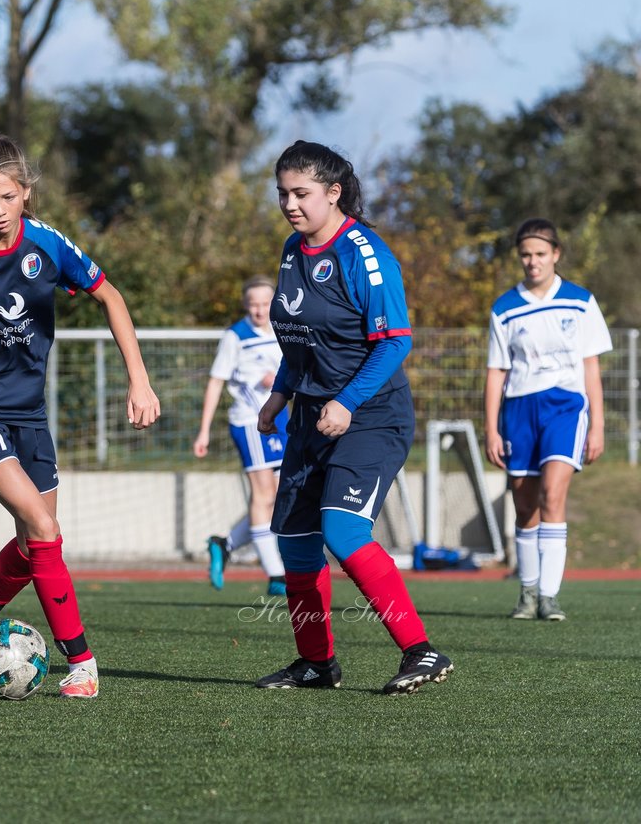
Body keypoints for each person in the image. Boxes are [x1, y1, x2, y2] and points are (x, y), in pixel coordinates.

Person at [0, 133, 161, 700]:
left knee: (34, 541)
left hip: (27, 409)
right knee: (45, 531)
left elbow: (111, 297)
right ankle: (84, 663)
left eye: (5, 197)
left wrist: (138, 379)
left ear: (25, 191)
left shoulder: (46, 244)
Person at [255, 140, 453, 695]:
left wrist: (347, 402)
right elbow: (300, 338)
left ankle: (421, 651)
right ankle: (316, 664)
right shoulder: (293, 250)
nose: (290, 204)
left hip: (371, 416)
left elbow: (394, 343)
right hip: (310, 416)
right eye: (283, 193)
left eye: (302, 193)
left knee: (342, 532)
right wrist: (279, 394)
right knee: (294, 541)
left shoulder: (364, 253)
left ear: (333, 192)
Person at [484, 219, 611, 622]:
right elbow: (496, 373)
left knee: (552, 495)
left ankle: (550, 597)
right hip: (519, 409)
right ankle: (527, 592)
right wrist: (490, 428)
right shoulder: (504, 308)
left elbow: (591, 369)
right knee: (525, 504)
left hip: (565, 408)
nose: (532, 261)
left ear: (556, 255)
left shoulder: (580, 301)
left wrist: (598, 426)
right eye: (526, 254)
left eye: (540, 254)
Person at [192, 275, 288, 595]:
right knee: (263, 496)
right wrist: (204, 431)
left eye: (265, 303)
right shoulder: (236, 336)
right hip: (250, 422)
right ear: (245, 305)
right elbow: (216, 381)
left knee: (276, 498)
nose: (260, 310)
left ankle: (225, 544)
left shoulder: (283, 329)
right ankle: (275, 575)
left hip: (281, 420)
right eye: (254, 304)